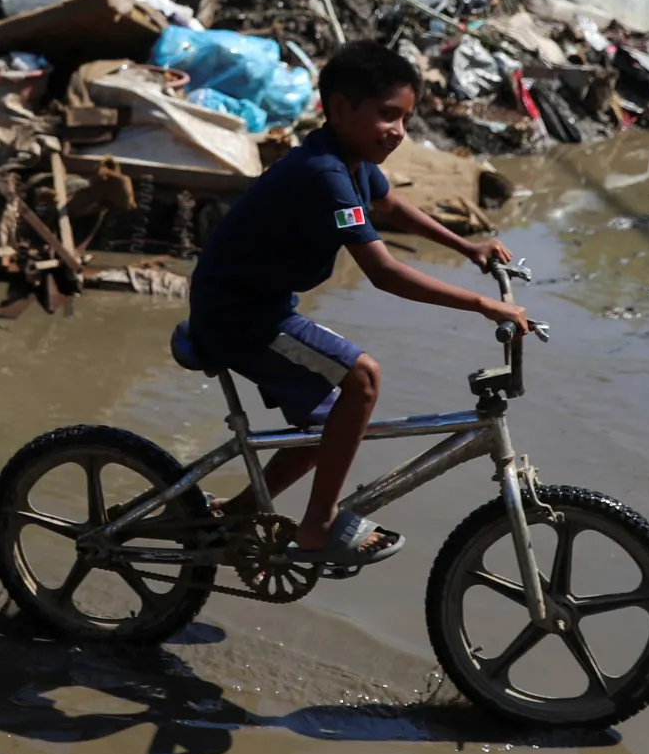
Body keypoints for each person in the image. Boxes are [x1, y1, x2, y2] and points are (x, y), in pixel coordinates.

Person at [180, 41, 531, 566]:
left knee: (335, 423)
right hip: (240, 315)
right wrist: (483, 304)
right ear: (340, 109)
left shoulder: (352, 160)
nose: (399, 132)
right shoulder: (324, 174)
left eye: (406, 119)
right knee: (363, 380)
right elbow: (385, 273)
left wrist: (468, 245)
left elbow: (387, 202)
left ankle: (237, 512)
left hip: (257, 303)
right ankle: (319, 527)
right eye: (388, 115)